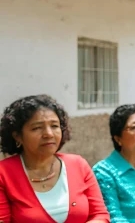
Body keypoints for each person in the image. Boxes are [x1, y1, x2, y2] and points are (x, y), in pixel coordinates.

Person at [0, 95, 110, 223]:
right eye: (37, 128)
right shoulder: (3, 174)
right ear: (17, 136)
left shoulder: (78, 164)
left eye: (54, 126)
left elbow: (100, 215)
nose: (49, 134)